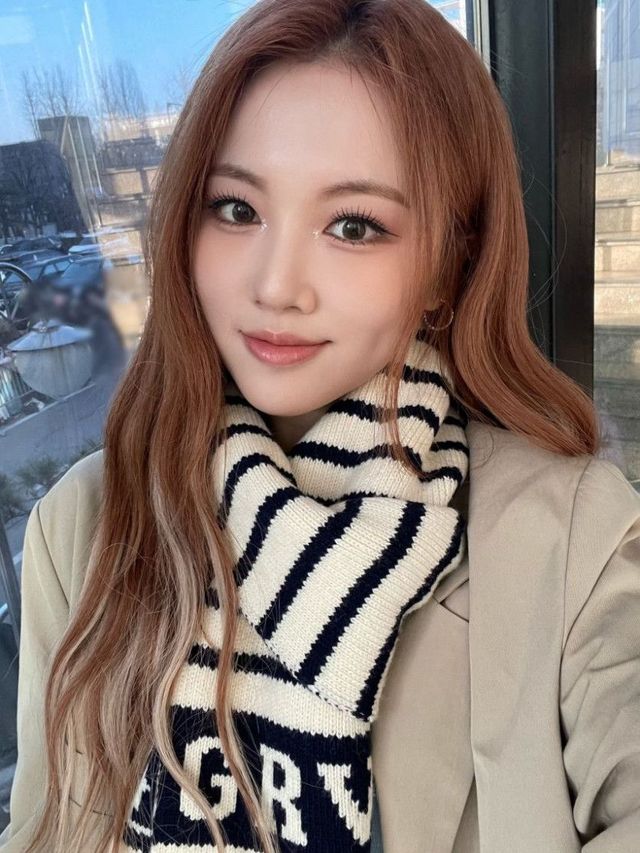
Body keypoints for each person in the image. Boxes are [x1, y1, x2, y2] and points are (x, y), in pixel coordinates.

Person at [1, 1, 639, 851]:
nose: (276, 285)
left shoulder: (568, 537)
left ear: (446, 268)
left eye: (353, 226)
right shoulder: (84, 527)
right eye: (237, 209)